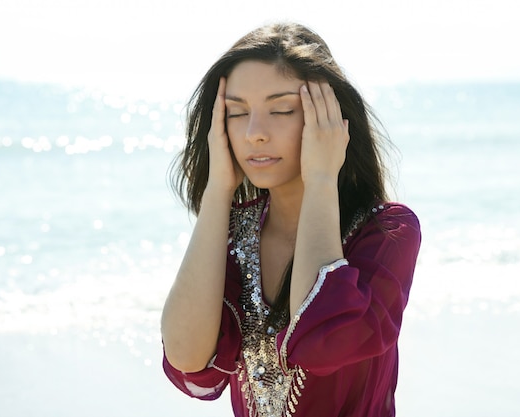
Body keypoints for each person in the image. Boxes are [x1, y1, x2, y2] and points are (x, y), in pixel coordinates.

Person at [161, 22, 421, 417]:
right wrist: (217, 191)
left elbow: (323, 340)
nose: (254, 134)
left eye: (281, 109)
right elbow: (188, 359)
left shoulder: (386, 233)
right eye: (236, 112)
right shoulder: (231, 235)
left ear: (329, 117)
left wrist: (320, 178)